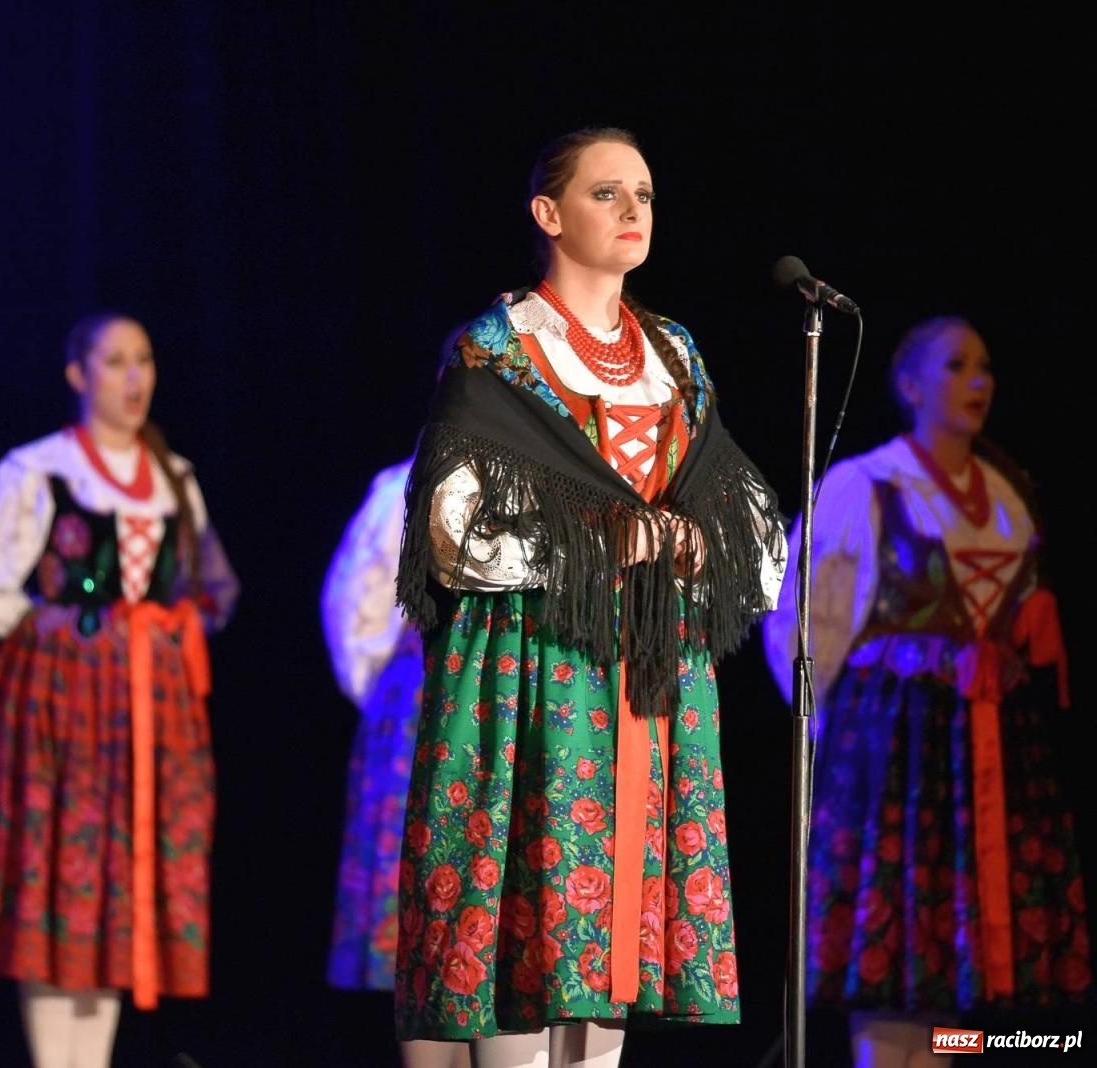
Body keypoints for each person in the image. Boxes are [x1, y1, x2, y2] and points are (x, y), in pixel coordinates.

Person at [392, 127, 787, 1067]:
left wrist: (697, 541)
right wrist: (591, 542)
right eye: (607, 194)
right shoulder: (498, 350)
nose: (633, 211)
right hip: (534, 664)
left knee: (615, 948)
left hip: (652, 670)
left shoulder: (674, 353)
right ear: (548, 213)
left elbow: (751, 524)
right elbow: (451, 534)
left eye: (643, 194)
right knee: (530, 931)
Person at [760, 316, 1090, 1068]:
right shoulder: (867, 484)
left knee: (957, 955)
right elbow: (809, 621)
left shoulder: (1012, 494)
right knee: (896, 943)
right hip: (896, 744)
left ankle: (943, 1058)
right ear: (909, 386)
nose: (978, 382)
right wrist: (828, 734)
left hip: (992, 747)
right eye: (955, 366)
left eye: (984, 367)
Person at [0, 312, 239, 1068]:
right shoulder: (39, 471)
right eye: (115, 362)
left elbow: (213, 589)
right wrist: (54, 628)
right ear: (78, 374)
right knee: (61, 872)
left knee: (118, 885)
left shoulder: (176, 480)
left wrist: (173, 628)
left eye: (144, 360)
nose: (134, 379)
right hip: (62, 703)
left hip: (152, 711)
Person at [324, 453, 472, 1068]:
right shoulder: (403, 488)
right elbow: (353, 600)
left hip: (510, 707)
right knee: (424, 921)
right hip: (425, 708)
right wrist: (388, 687)